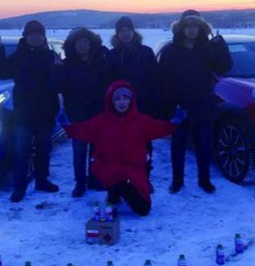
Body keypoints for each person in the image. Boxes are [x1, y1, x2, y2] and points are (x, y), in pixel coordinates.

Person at [58, 81, 186, 216]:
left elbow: (159, 128)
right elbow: (82, 130)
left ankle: (118, 191)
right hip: (109, 168)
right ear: (111, 101)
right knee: (115, 178)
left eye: (125, 98)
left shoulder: (142, 121)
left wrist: (174, 122)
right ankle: (114, 191)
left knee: (143, 209)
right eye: (117, 99)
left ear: (131, 100)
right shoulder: (101, 122)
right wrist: (66, 124)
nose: (122, 102)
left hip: (134, 169)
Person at [159, 10, 233, 194]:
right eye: (188, 26)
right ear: (182, 28)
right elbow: (162, 79)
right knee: (178, 145)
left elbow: (224, 67)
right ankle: (177, 181)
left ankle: (204, 180)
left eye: (196, 26)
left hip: (203, 105)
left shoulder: (207, 49)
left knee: (204, 145)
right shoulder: (171, 50)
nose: (192, 30)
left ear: (201, 29)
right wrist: (167, 105)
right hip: (179, 106)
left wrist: (222, 48)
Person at [0, 20, 62, 203]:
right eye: (32, 34)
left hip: (46, 113)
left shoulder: (50, 56)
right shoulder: (17, 57)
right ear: (26, 36)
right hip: (23, 114)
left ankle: (42, 181)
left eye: (39, 34)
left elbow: (57, 84)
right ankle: (19, 187)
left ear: (43, 36)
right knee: (21, 151)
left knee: (43, 150)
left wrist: (58, 69)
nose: (36, 37)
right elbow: (0, 73)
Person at [104, 16, 161, 189]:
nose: (125, 34)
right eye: (122, 31)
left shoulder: (146, 52)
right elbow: (107, 82)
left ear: (133, 31)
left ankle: (144, 177)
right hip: (120, 108)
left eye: (128, 30)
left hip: (144, 107)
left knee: (144, 145)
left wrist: (155, 105)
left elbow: (156, 79)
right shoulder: (112, 55)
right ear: (117, 34)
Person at [57, 27, 108, 198]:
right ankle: (79, 183)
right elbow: (57, 86)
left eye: (85, 41)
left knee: (97, 151)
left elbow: (109, 81)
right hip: (77, 114)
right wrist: (57, 70)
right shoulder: (66, 64)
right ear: (73, 45)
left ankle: (95, 179)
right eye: (79, 42)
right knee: (79, 151)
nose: (82, 45)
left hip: (98, 113)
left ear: (91, 43)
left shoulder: (100, 61)